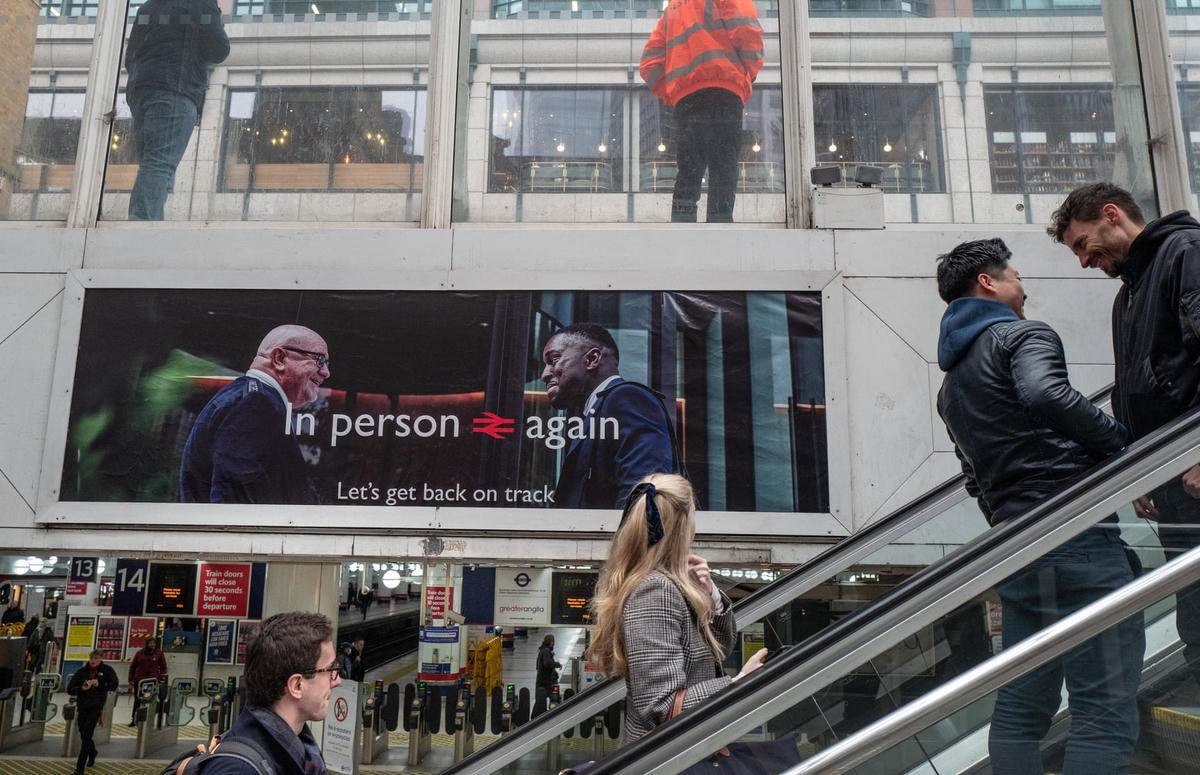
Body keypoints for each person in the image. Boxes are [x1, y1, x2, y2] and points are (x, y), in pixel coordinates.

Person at [934, 237, 1144, 773]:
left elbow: (972, 475)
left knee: (1022, 708)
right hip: (1077, 533)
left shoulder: (952, 384)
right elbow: (1047, 394)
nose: (1022, 284)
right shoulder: (1022, 335)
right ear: (989, 283)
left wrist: (1008, 518)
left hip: (1017, 548)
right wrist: (1122, 443)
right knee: (1102, 710)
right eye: (1015, 275)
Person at [1049, 182, 1200, 685]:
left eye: (1080, 244)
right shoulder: (1128, 295)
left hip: (1192, 464)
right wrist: (1136, 470)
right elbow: (1135, 387)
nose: (1082, 260)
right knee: (1194, 606)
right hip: (1170, 475)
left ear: (1111, 215)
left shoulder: (1185, 252)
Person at [587, 473, 766, 743]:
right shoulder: (655, 591)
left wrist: (710, 597)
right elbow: (661, 707)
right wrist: (738, 683)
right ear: (683, 526)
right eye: (694, 514)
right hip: (664, 757)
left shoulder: (669, 583)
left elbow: (720, 651)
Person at [639, 0, 762, 222]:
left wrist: (673, 93)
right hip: (724, 94)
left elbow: (649, 64)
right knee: (723, 169)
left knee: (688, 172)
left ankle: (682, 233)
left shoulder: (673, 9)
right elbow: (746, 28)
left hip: (686, 102)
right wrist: (749, 72)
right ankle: (720, 231)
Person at [180, 324, 330, 504]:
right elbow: (237, 503)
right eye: (320, 360)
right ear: (279, 358)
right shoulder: (254, 404)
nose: (326, 373)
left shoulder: (249, 397)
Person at [541, 323, 682, 509]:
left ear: (592, 359)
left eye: (553, 360)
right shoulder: (598, 409)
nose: (544, 374)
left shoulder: (627, 397)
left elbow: (643, 494)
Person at [124, 0, 230, 220]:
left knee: (152, 162)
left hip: (141, 89)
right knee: (159, 164)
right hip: (175, 88)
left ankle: (146, 221)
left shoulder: (148, 6)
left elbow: (130, 57)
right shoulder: (200, 3)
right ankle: (143, 228)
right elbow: (218, 49)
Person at [203, 611, 337, 774]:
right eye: (330, 670)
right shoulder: (238, 770)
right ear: (297, 686)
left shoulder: (296, 753)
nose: (337, 680)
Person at [67, 649, 120, 775]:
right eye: (91, 658)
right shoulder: (82, 672)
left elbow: (114, 684)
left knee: (87, 736)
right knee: (83, 732)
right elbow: (70, 688)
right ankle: (93, 752)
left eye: (96, 658)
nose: (93, 661)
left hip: (96, 706)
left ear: (101, 658)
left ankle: (80, 768)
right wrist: (81, 688)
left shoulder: (107, 670)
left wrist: (100, 684)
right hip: (83, 706)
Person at [128, 636, 168, 725]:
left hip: (152, 681)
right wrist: (130, 679)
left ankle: (148, 719)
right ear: (147, 644)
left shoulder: (159, 653)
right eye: (150, 643)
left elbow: (163, 666)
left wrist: (161, 677)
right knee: (138, 700)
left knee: (150, 699)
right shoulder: (140, 653)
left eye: (154, 643)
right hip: (139, 680)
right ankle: (135, 719)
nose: (152, 645)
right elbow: (133, 667)